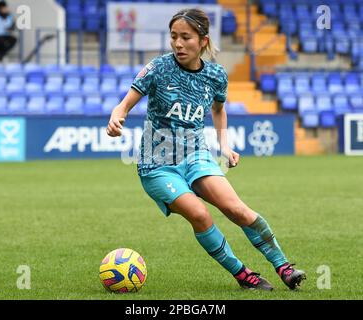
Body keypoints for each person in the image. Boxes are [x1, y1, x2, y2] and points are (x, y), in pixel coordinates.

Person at [106, 8, 306, 291]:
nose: (178, 44)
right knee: (200, 215)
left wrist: (224, 145)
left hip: (196, 156)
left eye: (185, 37)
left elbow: (219, 109)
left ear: (202, 40)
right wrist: (117, 116)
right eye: (173, 36)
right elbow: (124, 104)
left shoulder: (215, 75)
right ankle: (243, 275)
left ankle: (284, 266)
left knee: (237, 210)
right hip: (157, 165)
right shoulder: (158, 68)